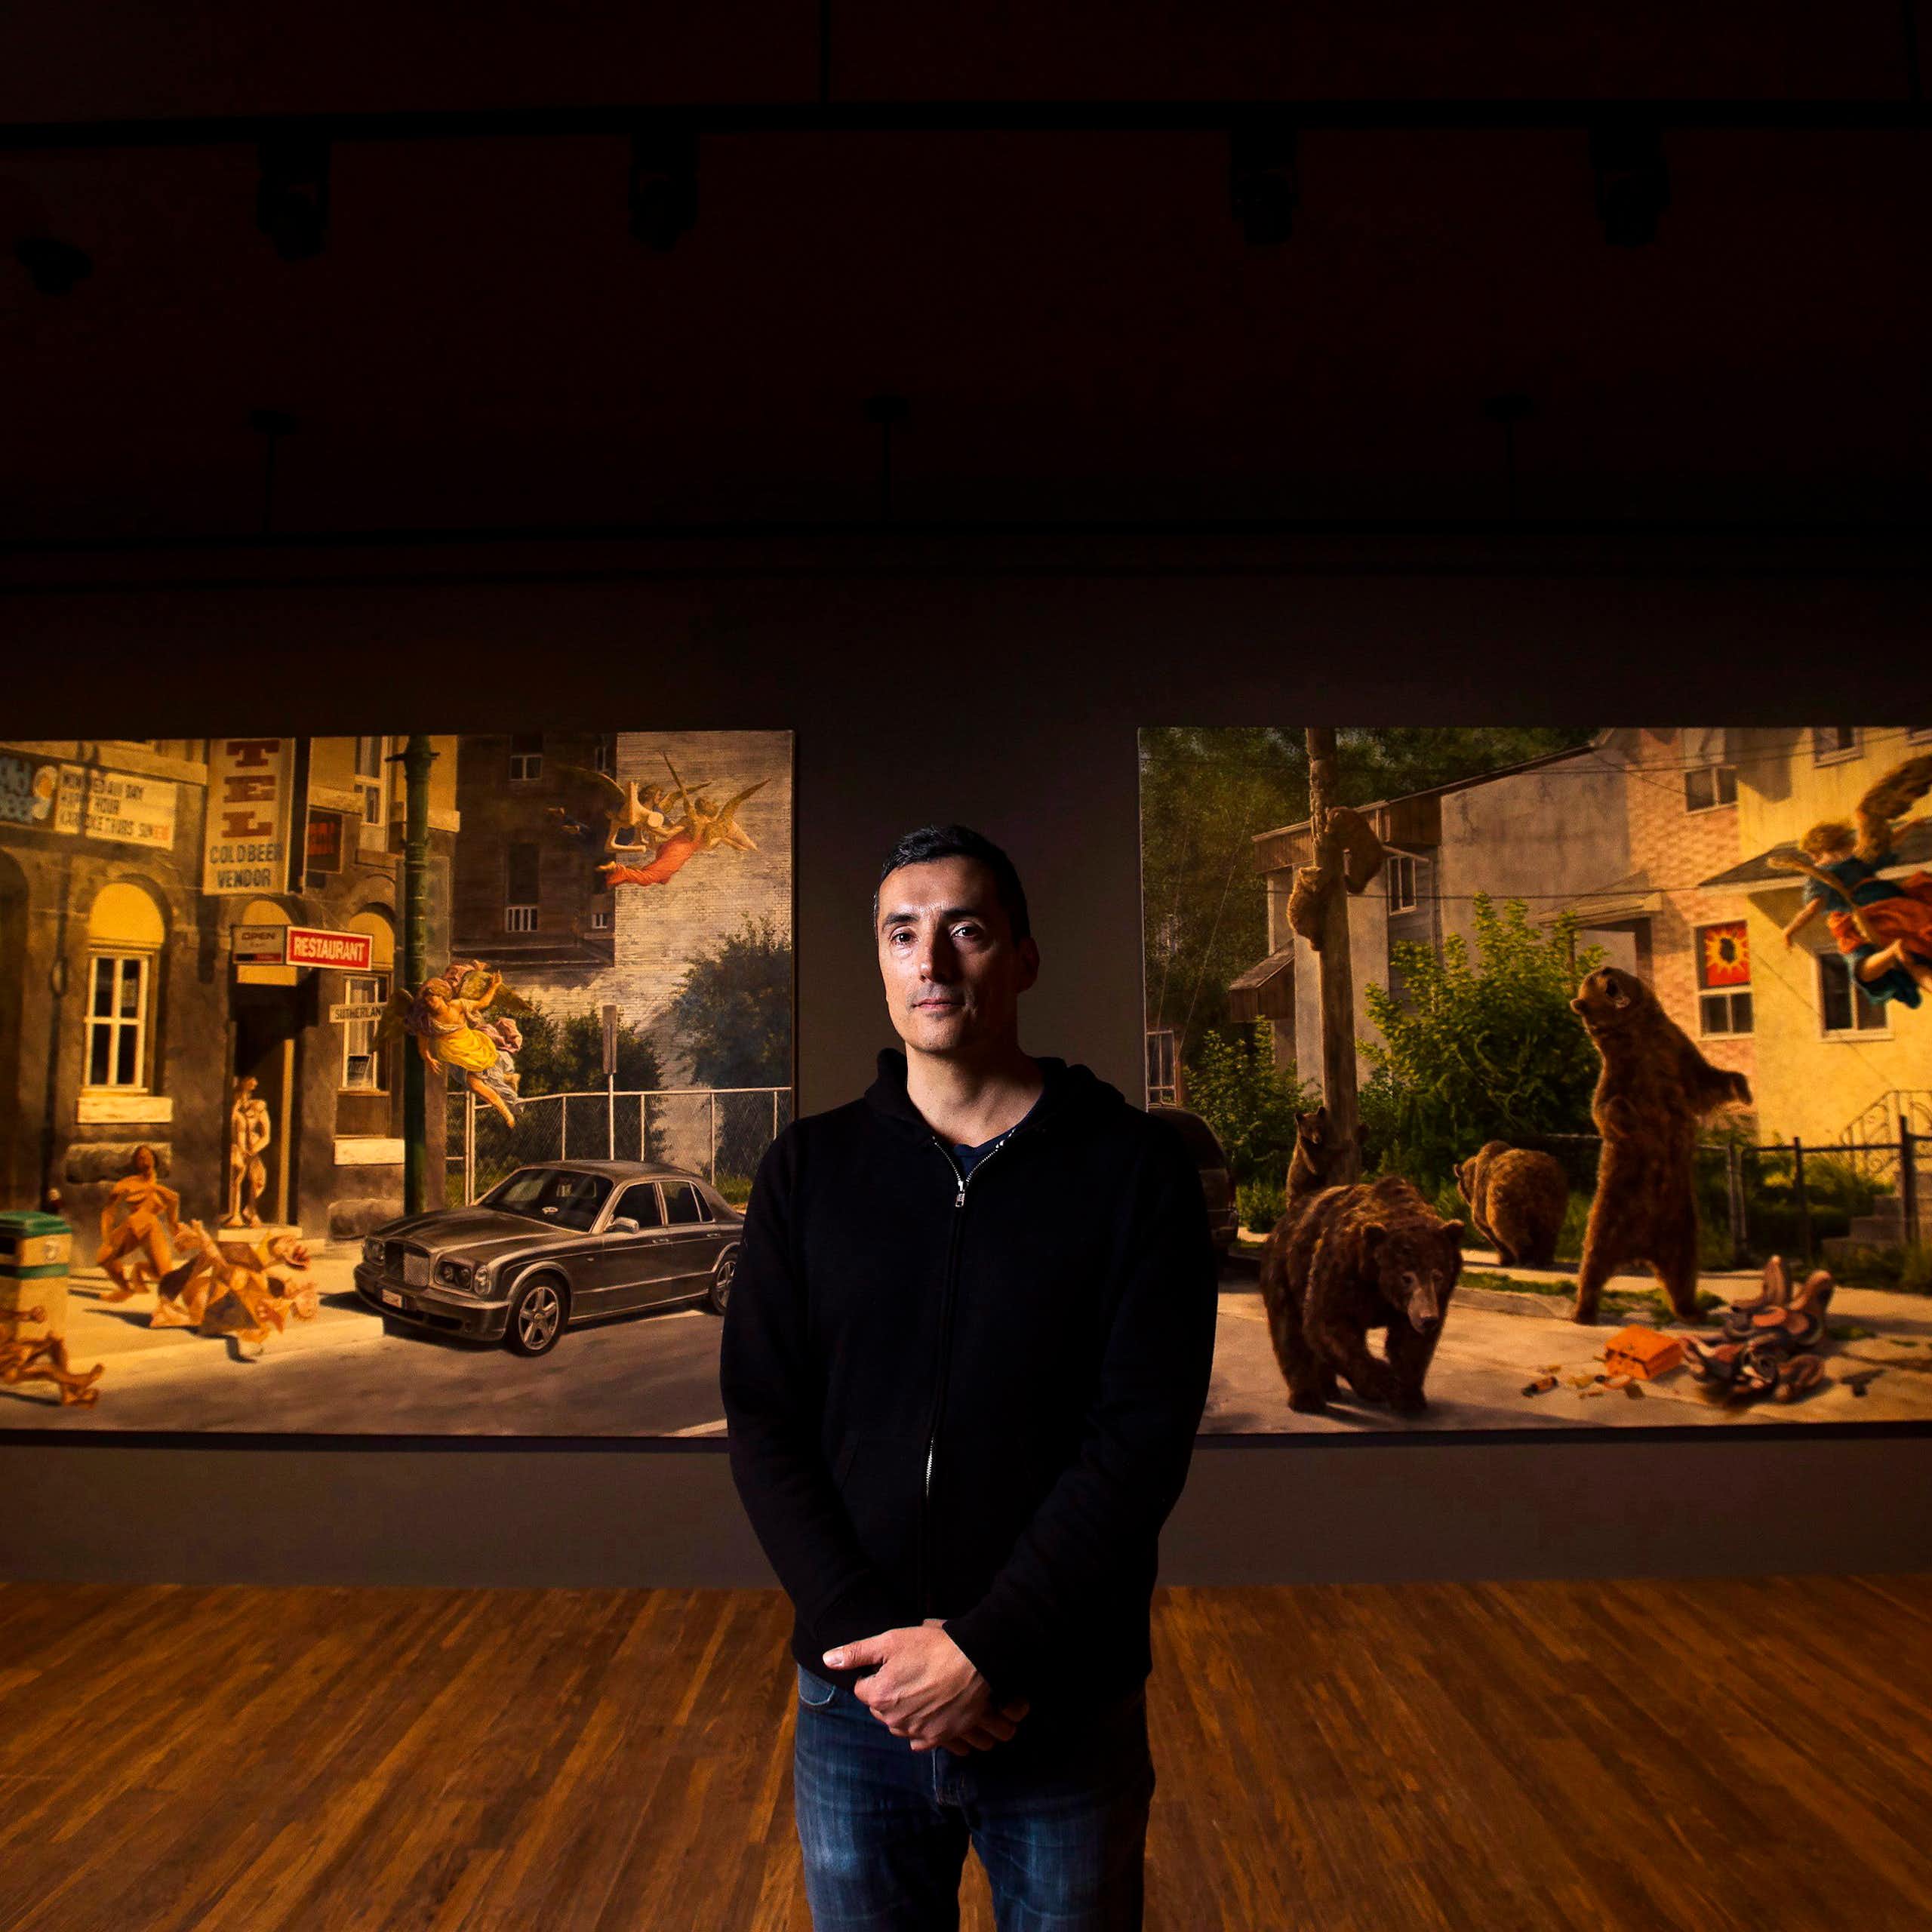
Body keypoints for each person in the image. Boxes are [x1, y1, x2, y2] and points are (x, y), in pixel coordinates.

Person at [719, 823, 1217, 1930]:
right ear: (881, 961)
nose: (932, 961)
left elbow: (1140, 1439)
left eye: (967, 930)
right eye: (903, 934)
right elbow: (763, 1419)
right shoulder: (807, 1171)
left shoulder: (1134, 1170)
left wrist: (988, 1651)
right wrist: (882, 1662)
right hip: (857, 1704)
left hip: (1059, 1699)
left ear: (1024, 958)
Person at [1780, 817, 1932, 1008]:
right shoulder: (1857, 859)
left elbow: (1812, 909)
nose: (1813, 860)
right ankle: (1896, 953)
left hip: (1866, 915)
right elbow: (1886, 844)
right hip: (1897, 904)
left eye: (1814, 855)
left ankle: (1893, 951)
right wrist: (1909, 826)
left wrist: (1790, 930)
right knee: (1915, 962)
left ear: (1818, 852)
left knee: (1862, 971)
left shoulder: (1820, 876)